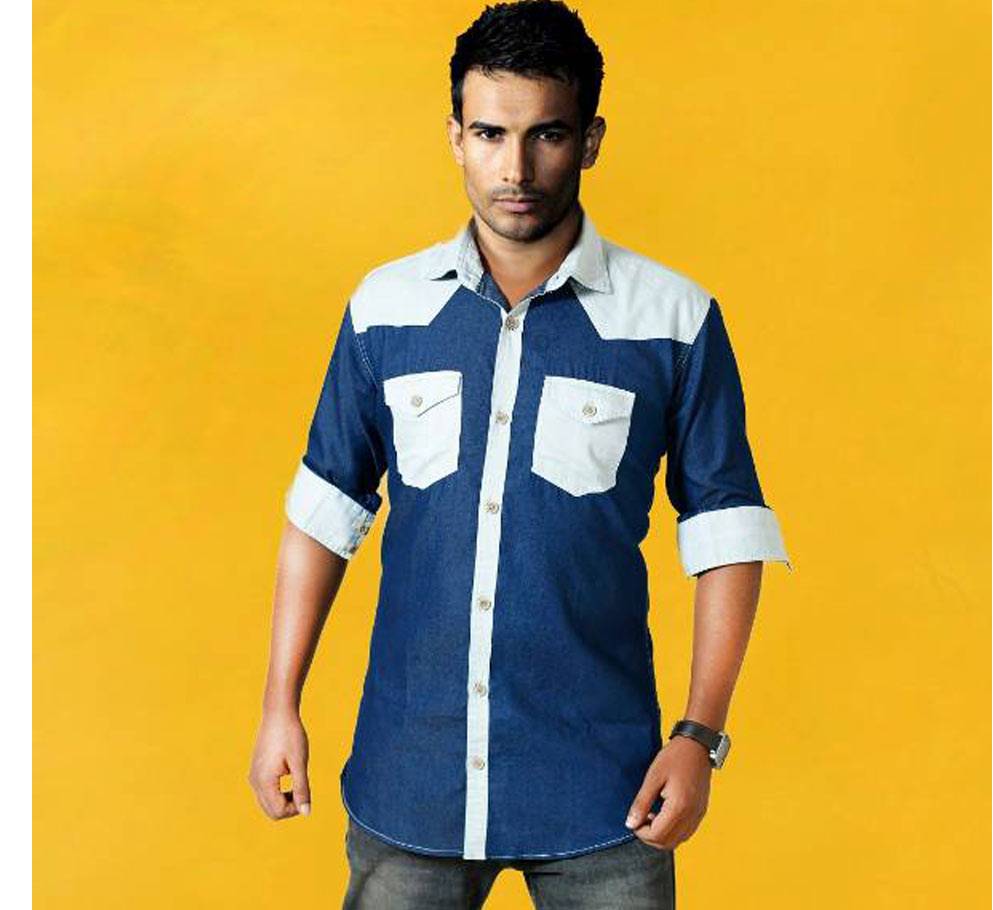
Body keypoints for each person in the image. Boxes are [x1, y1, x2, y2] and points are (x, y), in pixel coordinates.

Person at [248, 1, 792, 907]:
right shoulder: (384, 310)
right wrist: (280, 706)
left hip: (607, 791)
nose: (515, 168)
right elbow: (324, 512)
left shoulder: (673, 320)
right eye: (491, 133)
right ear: (455, 137)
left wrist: (700, 735)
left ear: (590, 140)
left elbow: (727, 532)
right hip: (410, 779)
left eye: (547, 133)